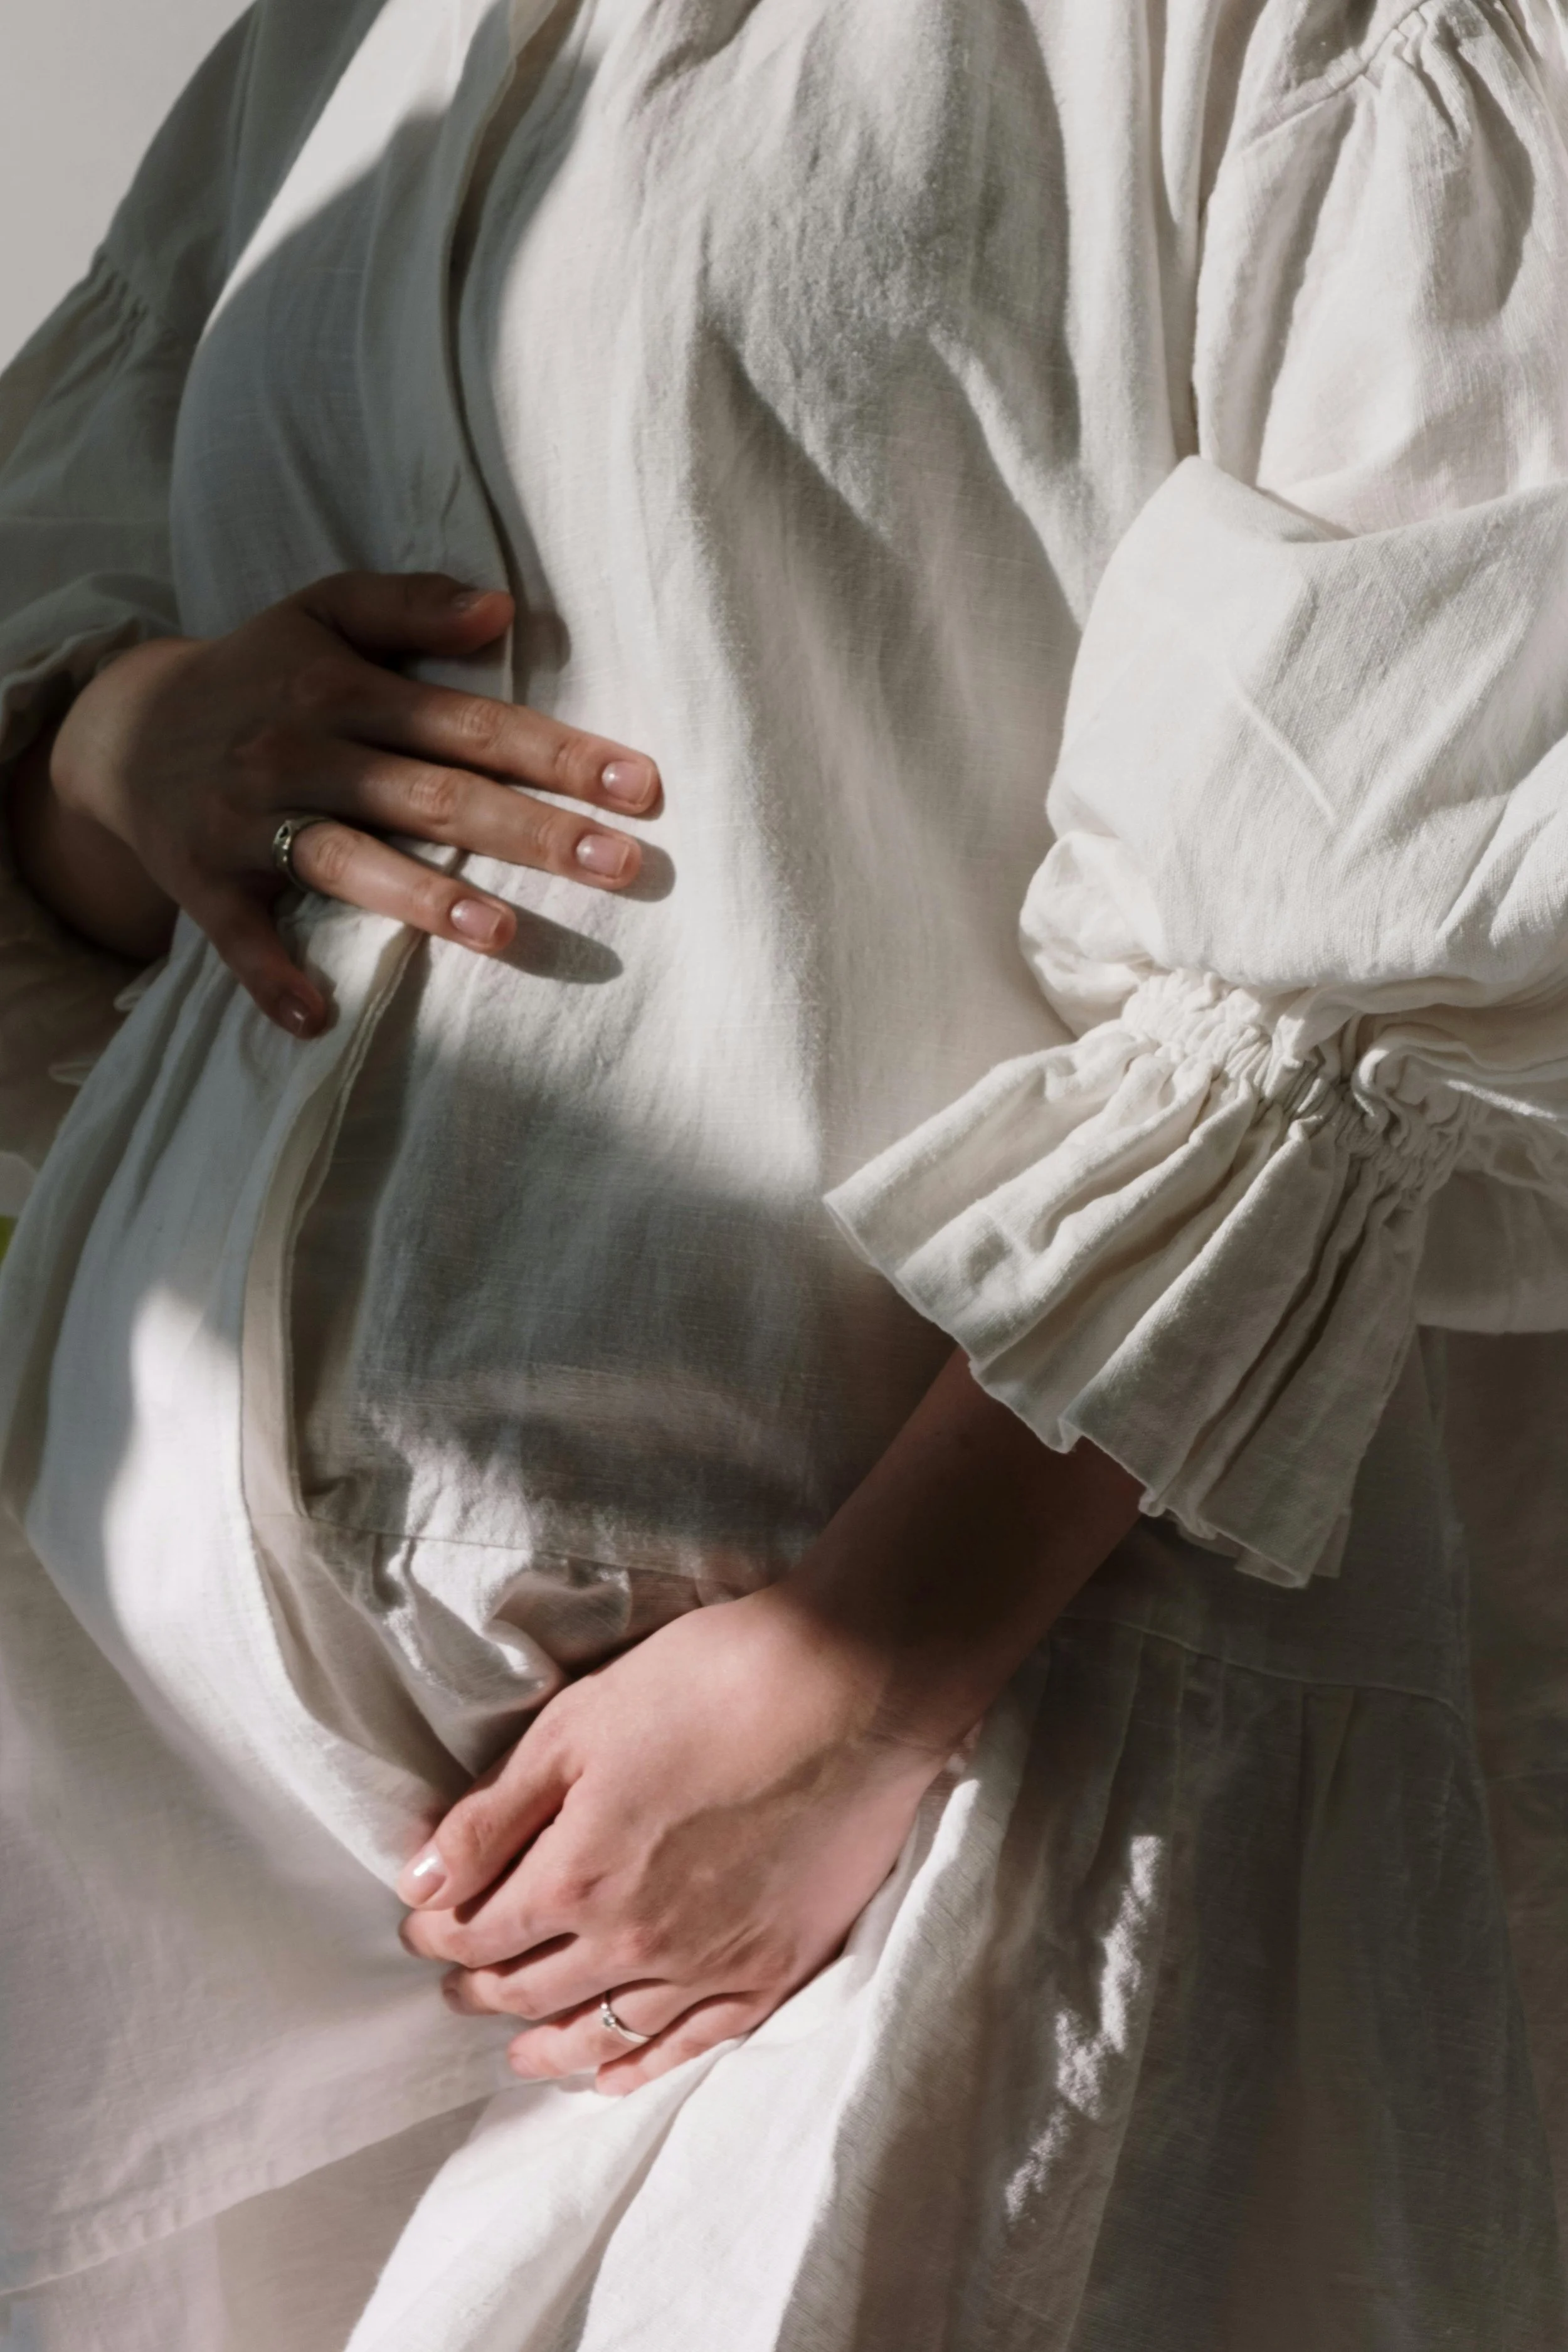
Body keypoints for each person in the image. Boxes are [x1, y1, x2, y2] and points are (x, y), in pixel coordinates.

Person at [2, 0, 1568, 2342]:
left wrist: (875, 1666)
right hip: (184, 1904)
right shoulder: (337, 42)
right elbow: (64, 687)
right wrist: (119, 746)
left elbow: (1401, 892)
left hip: (954, 1813)